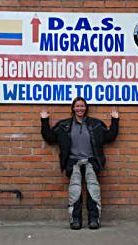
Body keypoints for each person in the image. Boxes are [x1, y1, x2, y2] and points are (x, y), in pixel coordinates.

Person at [40, 96, 119, 230]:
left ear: (86, 108)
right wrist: (44, 120)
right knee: (75, 191)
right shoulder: (64, 125)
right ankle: (75, 220)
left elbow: (110, 136)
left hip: (91, 161)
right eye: (77, 106)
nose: (80, 108)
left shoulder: (95, 124)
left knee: (92, 190)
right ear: (73, 108)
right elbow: (49, 137)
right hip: (73, 162)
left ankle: (94, 220)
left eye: (82, 106)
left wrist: (115, 120)